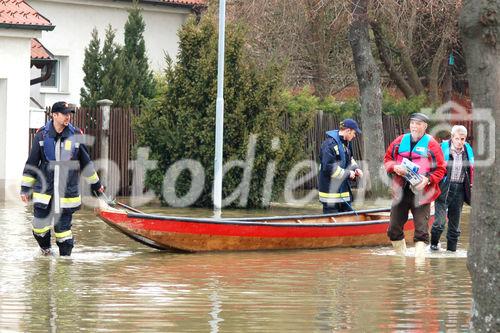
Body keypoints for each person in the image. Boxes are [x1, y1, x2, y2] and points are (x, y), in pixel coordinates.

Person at [20, 101, 104, 256]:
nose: (68, 117)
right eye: (65, 114)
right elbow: (32, 163)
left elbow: (86, 163)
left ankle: (65, 265)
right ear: (54, 115)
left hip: (66, 194)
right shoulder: (41, 135)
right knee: (39, 228)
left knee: (63, 234)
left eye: (69, 114)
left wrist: (96, 185)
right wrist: (25, 188)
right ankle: (46, 251)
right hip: (44, 192)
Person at [383, 113, 446, 256]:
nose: (414, 126)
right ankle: (400, 261)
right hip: (401, 191)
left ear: (425, 126)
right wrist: (394, 167)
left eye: (418, 124)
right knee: (393, 229)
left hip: (422, 192)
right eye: (412, 123)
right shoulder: (399, 141)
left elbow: (441, 169)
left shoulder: (432, 144)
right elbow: (387, 160)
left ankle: (420, 268)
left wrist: (427, 179)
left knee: (421, 232)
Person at [430, 125, 474, 252]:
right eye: (457, 138)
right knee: (439, 223)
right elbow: (433, 168)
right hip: (444, 188)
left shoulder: (467, 151)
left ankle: (451, 252)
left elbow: (472, 172)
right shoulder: (442, 149)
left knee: (455, 227)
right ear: (452, 137)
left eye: (462, 139)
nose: (459, 142)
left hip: (460, 190)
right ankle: (433, 246)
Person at [318, 118, 363, 214]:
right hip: (330, 195)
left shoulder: (346, 144)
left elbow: (350, 159)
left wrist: (356, 169)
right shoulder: (329, 145)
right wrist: (348, 174)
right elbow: (328, 168)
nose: (354, 136)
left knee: (349, 219)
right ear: (348, 131)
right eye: (354, 133)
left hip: (343, 193)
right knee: (331, 224)